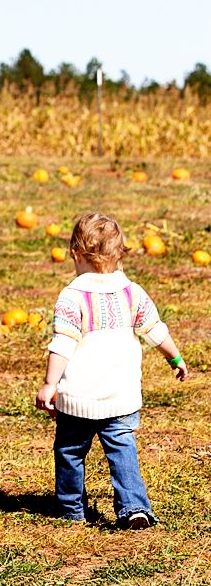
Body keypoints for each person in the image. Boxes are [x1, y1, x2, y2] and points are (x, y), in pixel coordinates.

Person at [35, 212, 188, 529]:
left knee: (69, 452)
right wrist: (174, 358)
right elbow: (155, 331)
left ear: (76, 254)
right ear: (120, 253)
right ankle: (134, 507)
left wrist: (50, 383)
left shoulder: (72, 297)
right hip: (121, 397)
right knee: (122, 450)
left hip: (78, 399)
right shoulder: (133, 293)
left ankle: (70, 509)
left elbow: (63, 343)